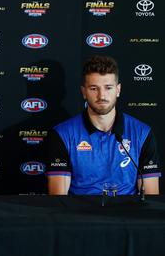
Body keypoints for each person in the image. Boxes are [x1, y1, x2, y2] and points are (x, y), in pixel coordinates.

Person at [46, 55, 161, 195]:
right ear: (83, 92)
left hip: (126, 214)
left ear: (118, 90)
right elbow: (58, 199)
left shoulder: (142, 133)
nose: (102, 96)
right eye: (94, 88)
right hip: (79, 215)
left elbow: (150, 198)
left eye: (108, 88)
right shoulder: (63, 134)